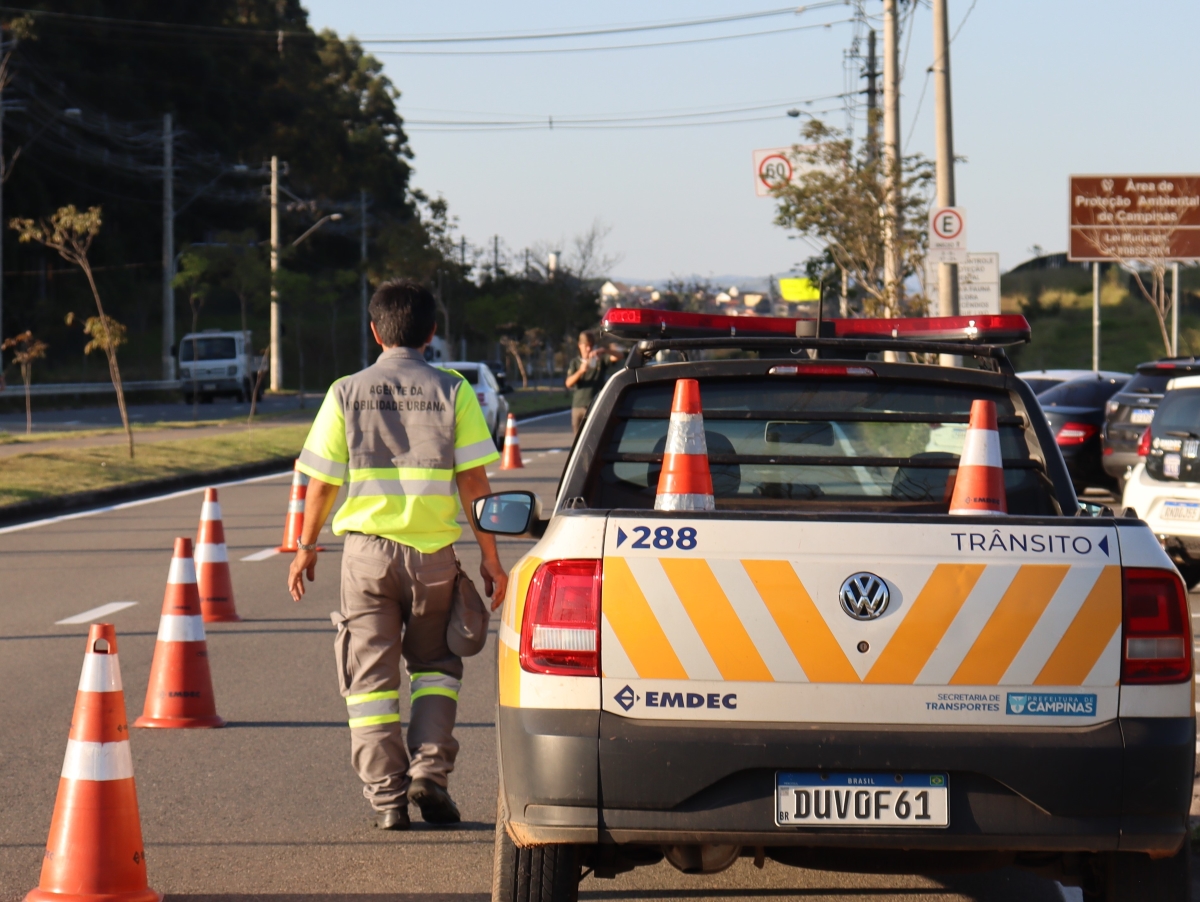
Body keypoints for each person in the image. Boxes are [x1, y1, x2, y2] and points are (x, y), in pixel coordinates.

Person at [287, 279, 508, 831]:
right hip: (433, 558)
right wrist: (491, 558)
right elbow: (474, 482)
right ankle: (429, 774)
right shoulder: (454, 390)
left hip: (365, 559)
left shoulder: (345, 392)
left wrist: (306, 547)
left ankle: (387, 798)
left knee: (369, 684)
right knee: (436, 669)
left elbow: (321, 483)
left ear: (374, 331)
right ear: (432, 332)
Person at [565, 330, 621, 435]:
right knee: (578, 438)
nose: (588, 349)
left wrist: (605, 351)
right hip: (578, 405)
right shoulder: (575, 362)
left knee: (595, 435)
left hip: (595, 404)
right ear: (580, 346)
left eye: (591, 346)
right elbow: (568, 383)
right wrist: (580, 371)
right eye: (586, 346)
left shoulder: (600, 360)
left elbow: (619, 356)